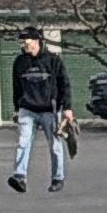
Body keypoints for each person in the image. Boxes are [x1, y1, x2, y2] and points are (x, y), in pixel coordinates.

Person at [9, 30, 74, 193]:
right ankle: (20, 177)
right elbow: (16, 87)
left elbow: (64, 84)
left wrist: (67, 108)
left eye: (27, 42)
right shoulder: (19, 62)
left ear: (37, 41)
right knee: (23, 143)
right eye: (21, 43)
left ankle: (58, 178)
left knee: (55, 145)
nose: (24, 46)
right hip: (27, 109)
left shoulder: (53, 61)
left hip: (49, 111)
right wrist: (17, 109)